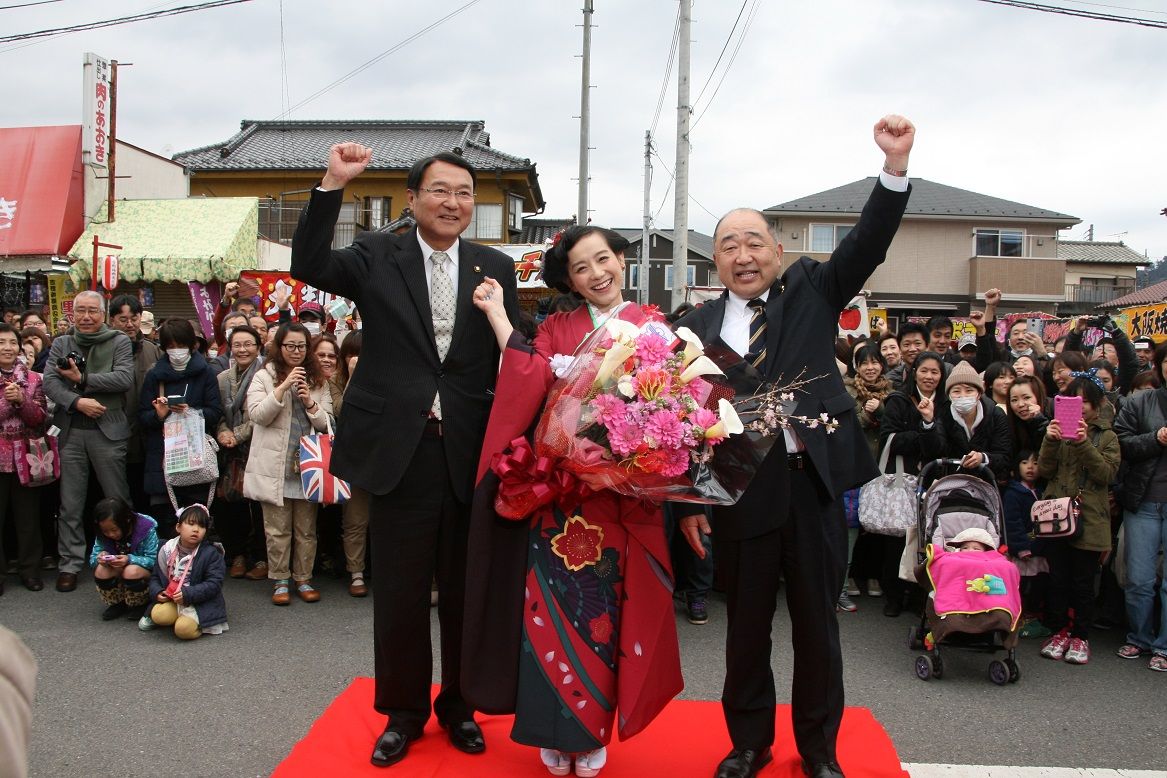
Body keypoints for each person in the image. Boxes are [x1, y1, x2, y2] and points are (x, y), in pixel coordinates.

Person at [675, 115, 914, 778]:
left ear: (775, 252)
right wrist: (688, 504)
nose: (742, 254)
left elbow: (868, 243)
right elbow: (682, 426)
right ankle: (747, 745)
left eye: (754, 242)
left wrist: (892, 169)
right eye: (728, 245)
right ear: (714, 259)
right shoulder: (690, 330)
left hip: (810, 486)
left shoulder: (812, 288)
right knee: (745, 634)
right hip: (739, 493)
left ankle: (818, 752)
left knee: (817, 631)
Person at [290, 146, 520, 767]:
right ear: (413, 200)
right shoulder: (375, 256)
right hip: (401, 448)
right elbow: (309, 261)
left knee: (467, 589)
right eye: (440, 191)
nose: (453, 203)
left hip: (471, 452)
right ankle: (404, 712)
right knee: (401, 590)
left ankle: (462, 706)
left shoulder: (496, 266)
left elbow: (514, 357)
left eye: (465, 193)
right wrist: (333, 182)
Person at [465, 225, 684, 778]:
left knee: (605, 615)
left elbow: (670, 413)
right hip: (562, 498)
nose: (597, 274)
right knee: (550, 608)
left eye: (603, 259)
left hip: (620, 501)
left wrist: (638, 459)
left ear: (620, 261)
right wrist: (497, 317)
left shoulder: (653, 327)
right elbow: (527, 378)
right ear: (569, 280)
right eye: (582, 268)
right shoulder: (558, 327)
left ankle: (589, 736)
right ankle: (551, 730)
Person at [43, 290, 134, 593]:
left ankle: (128, 557)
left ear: (103, 314)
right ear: (72, 313)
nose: (85, 317)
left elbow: (123, 379)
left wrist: (82, 379)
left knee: (117, 499)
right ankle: (69, 562)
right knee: (70, 503)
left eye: (92, 311)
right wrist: (77, 402)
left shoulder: (118, 340)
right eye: (80, 310)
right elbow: (50, 382)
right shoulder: (61, 342)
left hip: (108, 431)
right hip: (71, 429)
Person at [243, 323, 333, 606]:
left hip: (307, 467)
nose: (296, 352)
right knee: (277, 529)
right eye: (290, 346)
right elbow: (258, 415)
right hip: (275, 466)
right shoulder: (263, 376)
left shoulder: (319, 380)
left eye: (302, 347)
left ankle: (303, 579)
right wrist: (282, 387)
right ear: (278, 348)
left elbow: (327, 424)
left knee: (306, 530)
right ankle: (280, 579)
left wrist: (310, 403)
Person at [1037, 378, 1120, 665]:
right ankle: (1059, 630)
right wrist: (1050, 440)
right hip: (1057, 517)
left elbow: (1107, 475)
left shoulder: (1107, 437)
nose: (1079, 408)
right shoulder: (1055, 432)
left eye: (1084, 402)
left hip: (1090, 518)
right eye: (1072, 402)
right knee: (1058, 579)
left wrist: (1084, 443)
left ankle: (1081, 635)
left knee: (1083, 583)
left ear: (1097, 406)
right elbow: (1043, 470)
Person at [878, 351, 946, 617]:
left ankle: (920, 597)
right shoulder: (898, 399)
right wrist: (923, 433)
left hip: (932, 480)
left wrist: (929, 423)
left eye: (935, 372)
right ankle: (893, 596)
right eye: (924, 370)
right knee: (896, 541)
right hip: (901, 481)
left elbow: (941, 445)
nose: (929, 377)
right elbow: (889, 440)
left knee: (928, 541)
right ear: (914, 371)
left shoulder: (945, 403)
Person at [1113, 341, 1167, 672]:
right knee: (1140, 579)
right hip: (1144, 501)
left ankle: (1163, 645)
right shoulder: (1141, 401)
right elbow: (1121, 444)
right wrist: (1156, 438)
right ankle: (1139, 637)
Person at [139, 319, 223, 521]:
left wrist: (191, 412)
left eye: (181, 346)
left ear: (193, 345)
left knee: (196, 520)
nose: (176, 351)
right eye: (170, 347)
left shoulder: (206, 373)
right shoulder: (154, 375)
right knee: (166, 519)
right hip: (164, 456)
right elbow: (142, 416)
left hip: (195, 457)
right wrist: (160, 414)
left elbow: (215, 412)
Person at [843, 343, 892, 609]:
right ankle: (848, 577)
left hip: (882, 467)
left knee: (877, 525)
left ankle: (873, 576)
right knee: (852, 524)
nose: (870, 367)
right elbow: (849, 426)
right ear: (857, 366)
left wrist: (883, 410)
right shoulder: (848, 391)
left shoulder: (891, 391)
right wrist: (868, 412)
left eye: (875, 362)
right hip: (855, 466)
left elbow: (894, 424)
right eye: (864, 363)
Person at [0, 325, 48, 594]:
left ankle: (30, 570)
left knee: (28, 519)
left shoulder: (32, 379)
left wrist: (22, 400)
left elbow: (40, 419)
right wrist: (9, 402)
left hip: (27, 458)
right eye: (1, 342)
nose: (7, 347)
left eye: (11, 342)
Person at [215, 325, 266, 580]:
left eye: (248, 344)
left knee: (258, 506)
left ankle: (260, 557)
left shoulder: (267, 374)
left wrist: (239, 434)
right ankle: (236, 554)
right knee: (230, 503)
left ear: (259, 347)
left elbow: (266, 412)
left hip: (258, 446)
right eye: (237, 344)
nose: (243, 349)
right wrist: (223, 432)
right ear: (230, 348)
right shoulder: (223, 378)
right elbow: (216, 411)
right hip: (229, 450)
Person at [109, 293, 163, 512]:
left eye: (134, 318)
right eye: (123, 319)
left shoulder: (152, 350)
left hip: (148, 436)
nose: (129, 324)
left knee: (146, 498)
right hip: (115, 436)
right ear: (112, 320)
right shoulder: (105, 350)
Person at [142, 504, 228, 638]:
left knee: (182, 630)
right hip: (173, 599)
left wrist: (188, 594)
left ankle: (199, 624)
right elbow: (155, 577)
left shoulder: (211, 553)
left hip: (200, 602)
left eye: (201, 526)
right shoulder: (166, 548)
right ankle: (178, 617)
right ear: (178, 527)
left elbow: (214, 584)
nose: (196, 530)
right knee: (158, 616)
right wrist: (158, 592)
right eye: (191, 524)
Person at [334, 331, 371, 597]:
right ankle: (355, 572)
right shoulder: (335, 382)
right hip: (354, 461)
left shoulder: (383, 378)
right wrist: (352, 378)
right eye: (351, 354)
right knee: (355, 520)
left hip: (381, 458)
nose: (356, 359)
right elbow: (340, 411)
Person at [937, 361, 1012, 486]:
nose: (963, 396)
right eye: (956, 391)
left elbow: (1005, 456)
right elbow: (936, 451)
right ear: (949, 395)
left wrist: (983, 458)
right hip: (951, 484)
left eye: (969, 390)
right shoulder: (942, 415)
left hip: (987, 484)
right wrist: (928, 423)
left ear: (979, 394)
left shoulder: (996, 415)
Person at [89, 497, 159, 621]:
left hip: (141, 572)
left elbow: (154, 561)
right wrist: (100, 558)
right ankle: (117, 603)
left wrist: (130, 559)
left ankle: (140, 604)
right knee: (100, 571)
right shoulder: (102, 534)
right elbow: (93, 559)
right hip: (118, 570)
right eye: (105, 531)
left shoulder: (146, 528)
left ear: (127, 520)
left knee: (131, 571)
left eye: (114, 530)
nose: (110, 534)